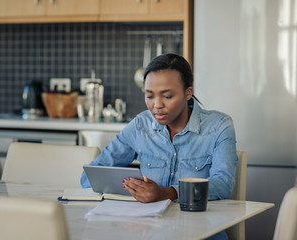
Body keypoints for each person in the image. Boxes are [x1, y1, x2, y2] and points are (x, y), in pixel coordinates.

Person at [80, 53, 238, 203]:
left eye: (167, 96)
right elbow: (89, 177)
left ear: (188, 93)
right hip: (149, 226)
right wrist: (132, 188)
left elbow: (223, 185)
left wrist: (167, 193)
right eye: (149, 96)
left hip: (202, 224)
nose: (157, 105)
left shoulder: (219, 126)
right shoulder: (140, 125)